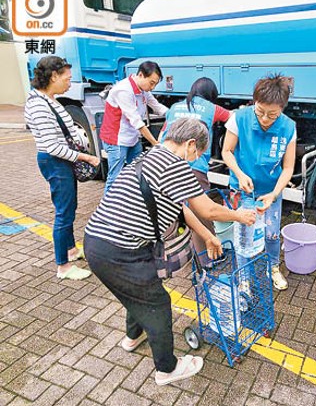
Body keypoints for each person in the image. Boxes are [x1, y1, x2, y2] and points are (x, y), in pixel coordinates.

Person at [84, 118, 256, 386]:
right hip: (119, 250)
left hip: (98, 243)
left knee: (140, 290)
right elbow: (207, 210)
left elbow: (183, 209)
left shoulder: (151, 156)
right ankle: (167, 368)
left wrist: (209, 236)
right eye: (198, 154)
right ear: (189, 145)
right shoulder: (176, 166)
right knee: (157, 303)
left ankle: (132, 338)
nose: (195, 160)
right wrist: (239, 216)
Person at [24, 56, 101, 280]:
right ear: (53, 76)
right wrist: (85, 157)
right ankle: (63, 266)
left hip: (59, 161)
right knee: (63, 213)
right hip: (54, 161)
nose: (70, 81)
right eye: (67, 77)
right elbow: (52, 146)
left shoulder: (49, 99)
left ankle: (71, 250)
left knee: (68, 208)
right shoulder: (39, 104)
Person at [222, 74, 296, 291]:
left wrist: (274, 194)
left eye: (272, 114)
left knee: (272, 232)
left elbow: (289, 168)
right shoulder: (239, 118)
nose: (264, 118)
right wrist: (239, 173)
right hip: (242, 188)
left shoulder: (289, 127)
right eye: (260, 111)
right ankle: (243, 277)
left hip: (270, 191)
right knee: (243, 233)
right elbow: (226, 151)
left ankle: (273, 267)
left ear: (282, 108)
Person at [158, 77, 231, 247]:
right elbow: (232, 119)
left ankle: (178, 246)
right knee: (202, 211)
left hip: (167, 164)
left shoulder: (175, 107)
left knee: (174, 207)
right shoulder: (212, 108)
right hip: (194, 166)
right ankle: (206, 256)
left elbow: (162, 135)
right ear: (211, 94)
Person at [100, 61, 168, 192]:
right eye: (152, 83)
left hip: (132, 138)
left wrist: (174, 114)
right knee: (115, 178)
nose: (152, 87)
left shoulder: (143, 89)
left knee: (137, 173)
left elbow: (157, 106)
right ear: (141, 75)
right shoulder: (124, 90)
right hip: (117, 140)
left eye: (155, 84)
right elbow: (137, 122)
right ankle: (108, 209)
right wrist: (155, 143)